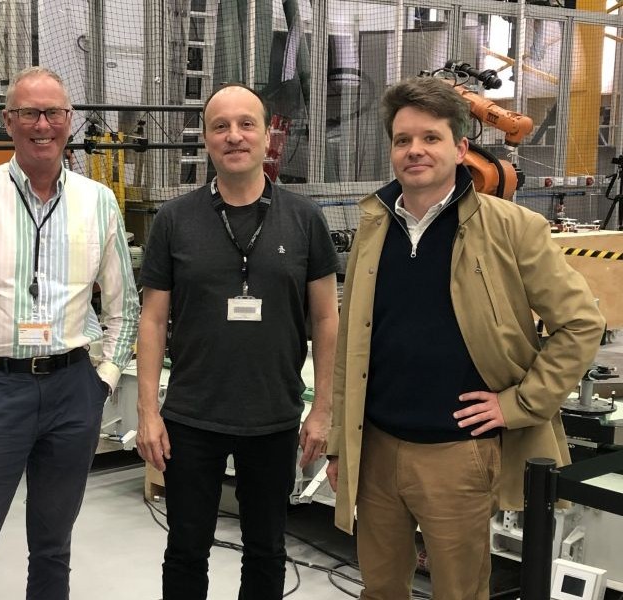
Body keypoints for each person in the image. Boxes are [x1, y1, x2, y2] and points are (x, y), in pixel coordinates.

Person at [326, 76, 605, 600]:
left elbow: (580, 324)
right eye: (403, 139)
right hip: (378, 450)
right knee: (380, 588)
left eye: (430, 138)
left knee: (460, 592)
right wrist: (343, 441)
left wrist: (519, 404)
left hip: (458, 455)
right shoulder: (373, 223)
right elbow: (352, 344)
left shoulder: (512, 228)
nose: (415, 151)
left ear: (460, 148)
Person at [0, 66, 140, 600]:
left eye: (54, 113)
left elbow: (124, 305)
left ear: (69, 121)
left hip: (72, 392)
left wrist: (103, 379)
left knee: (53, 547)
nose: (43, 125)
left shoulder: (97, 201)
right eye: (29, 113)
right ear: (8, 121)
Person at [136, 83, 340, 600]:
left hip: (272, 417)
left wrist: (323, 412)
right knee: (185, 549)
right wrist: (147, 413)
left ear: (267, 133)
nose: (234, 136)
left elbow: (326, 318)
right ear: (205, 139)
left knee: (267, 549)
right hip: (191, 417)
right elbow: (153, 321)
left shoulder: (304, 218)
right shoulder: (174, 220)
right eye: (220, 126)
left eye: (246, 124)